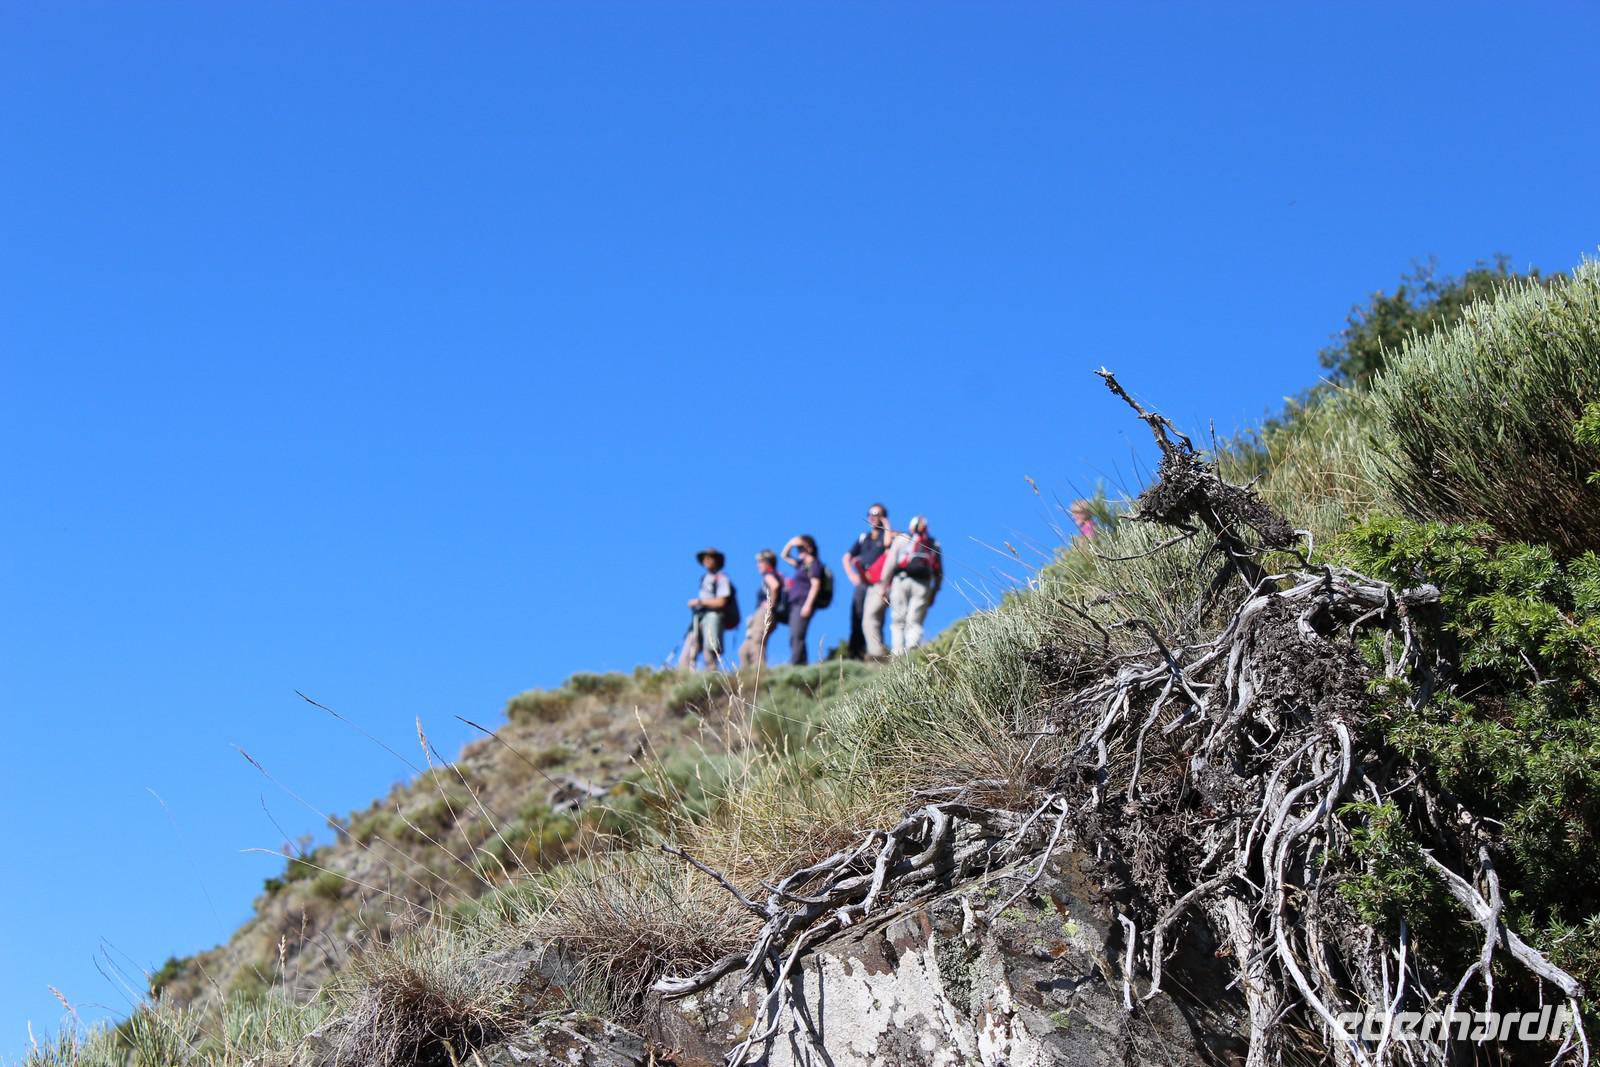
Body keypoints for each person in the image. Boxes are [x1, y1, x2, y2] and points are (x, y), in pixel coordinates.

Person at [842, 503, 893, 660]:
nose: (873, 516)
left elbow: (888, 544)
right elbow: (846, 557)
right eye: (870, 513)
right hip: (863, 582)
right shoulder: (864, 538)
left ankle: (877, 652)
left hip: (878, 583)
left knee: (874, 617)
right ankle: (856, 653)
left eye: (877, 514)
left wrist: (886, 525)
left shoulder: (887, 536)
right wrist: (852, 576)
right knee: (857, 617)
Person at [885, 516, 942, 655]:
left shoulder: (902, 538)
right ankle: (913, 650)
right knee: (915, 621)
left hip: (901, 580)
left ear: (911, 527)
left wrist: (884, 584)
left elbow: (890, 563)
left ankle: (897, 655)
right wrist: (935, 590)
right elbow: (939, 571)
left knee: (898, 620)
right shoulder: (933, 543)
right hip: (923, 584)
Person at [679, 547, 732, 671]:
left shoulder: (722, 578)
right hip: (700, 618)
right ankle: (682, 679)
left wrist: (700, 602)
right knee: (689, 651)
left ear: (717, 560)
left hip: (713, 617)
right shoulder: (705, 578)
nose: (706, 560)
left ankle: (713, 680)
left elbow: (722, 601)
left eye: (710, 558)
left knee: (710, 652)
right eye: (705, 558)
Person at [739, 549, 787, 669]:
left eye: (761, 562)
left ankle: (759, 672)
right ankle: (746, 676)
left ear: (768, 562)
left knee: (757, 642)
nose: (758, 565)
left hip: (764, 613)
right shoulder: (775, 575)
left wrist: (770, 606)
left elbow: (774, 586)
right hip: (763, 614)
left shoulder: (769, 575)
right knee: (744, 650)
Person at [781, 534, 824, 665]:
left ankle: (796, 663)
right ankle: (801, 663)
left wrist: (808, 605)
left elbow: (816, 585)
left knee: (796, 634)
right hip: (795, 604)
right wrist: (791, 543)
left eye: (801, 548)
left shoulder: (814, 564)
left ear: (809, 548)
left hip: (803, 603)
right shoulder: (801, 564)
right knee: (796, 634)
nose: (798, 551)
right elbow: (784, 556)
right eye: (797, 549)